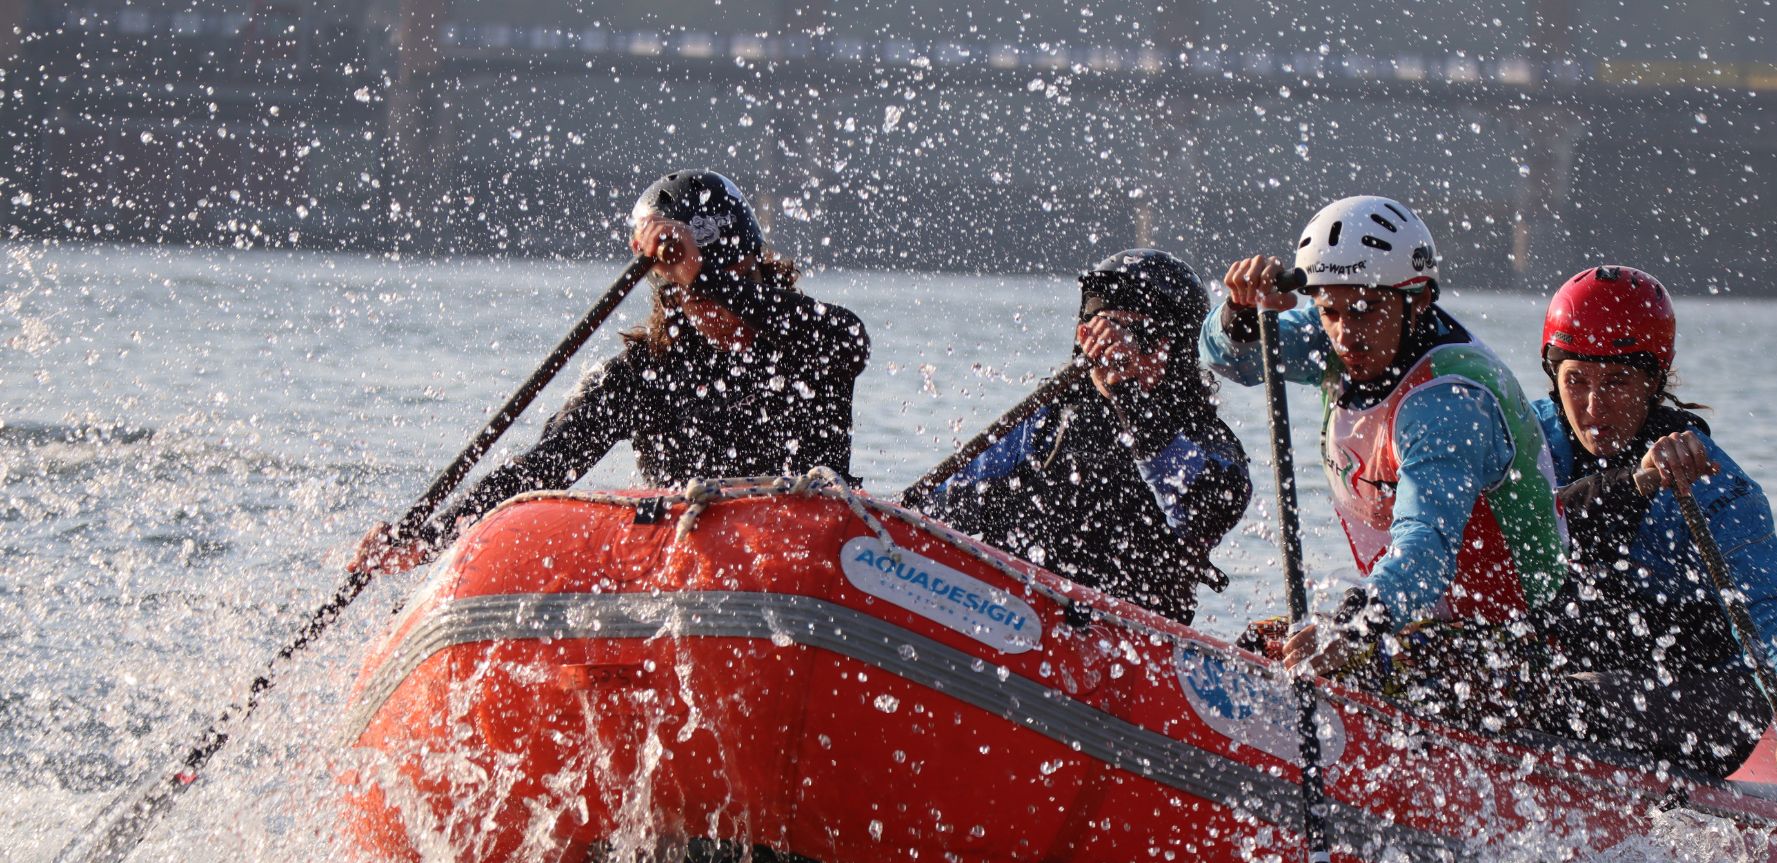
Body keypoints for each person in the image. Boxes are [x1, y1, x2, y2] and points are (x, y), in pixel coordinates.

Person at [354, 169, 870, 572]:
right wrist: (427, 539)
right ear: (668, 288)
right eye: (693, 290)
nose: (715, 303)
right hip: (697, 575)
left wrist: (699, 271)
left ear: (755, 270)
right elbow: (541, 471)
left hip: (815, 569)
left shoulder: (815, 341)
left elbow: (851, 338)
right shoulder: (643, 375)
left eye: (731, 277)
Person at [1203, 196, 1566, 707]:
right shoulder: (1342, 336)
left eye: (1365, 310)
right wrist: (1240, 312)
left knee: (1336, 661)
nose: (1346, 333)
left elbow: (1424, 554)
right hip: (1415, 622)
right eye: (1328, 311)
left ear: (1416, 300)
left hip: (1517, 646)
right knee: (1262, 648)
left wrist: (1349, 628)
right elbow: (1231, 360)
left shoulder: (1448, 402)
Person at [1528, 264, 1777, 776]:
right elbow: (1530, 525)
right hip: (1579, 675)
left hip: (1710, 697)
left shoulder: (1714, 481)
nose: (1593, 406)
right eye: (1575, 380)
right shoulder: (1524, 443)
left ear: (1654, 382)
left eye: (1618, 382)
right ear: (1553, 377)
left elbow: (1768, 609)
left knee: (1552, 700)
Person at [910, 249, 1251, 625]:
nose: (1117, 349)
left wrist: (1126, 396)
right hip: (1013, 618)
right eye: (1104, 332)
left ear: (1179, 351)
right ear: (1084, 335)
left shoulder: (1209, 442)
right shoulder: (1047, 420)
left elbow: (1199, 510)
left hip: (1126, 639)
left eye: (1142, 337)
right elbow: (940, 503)